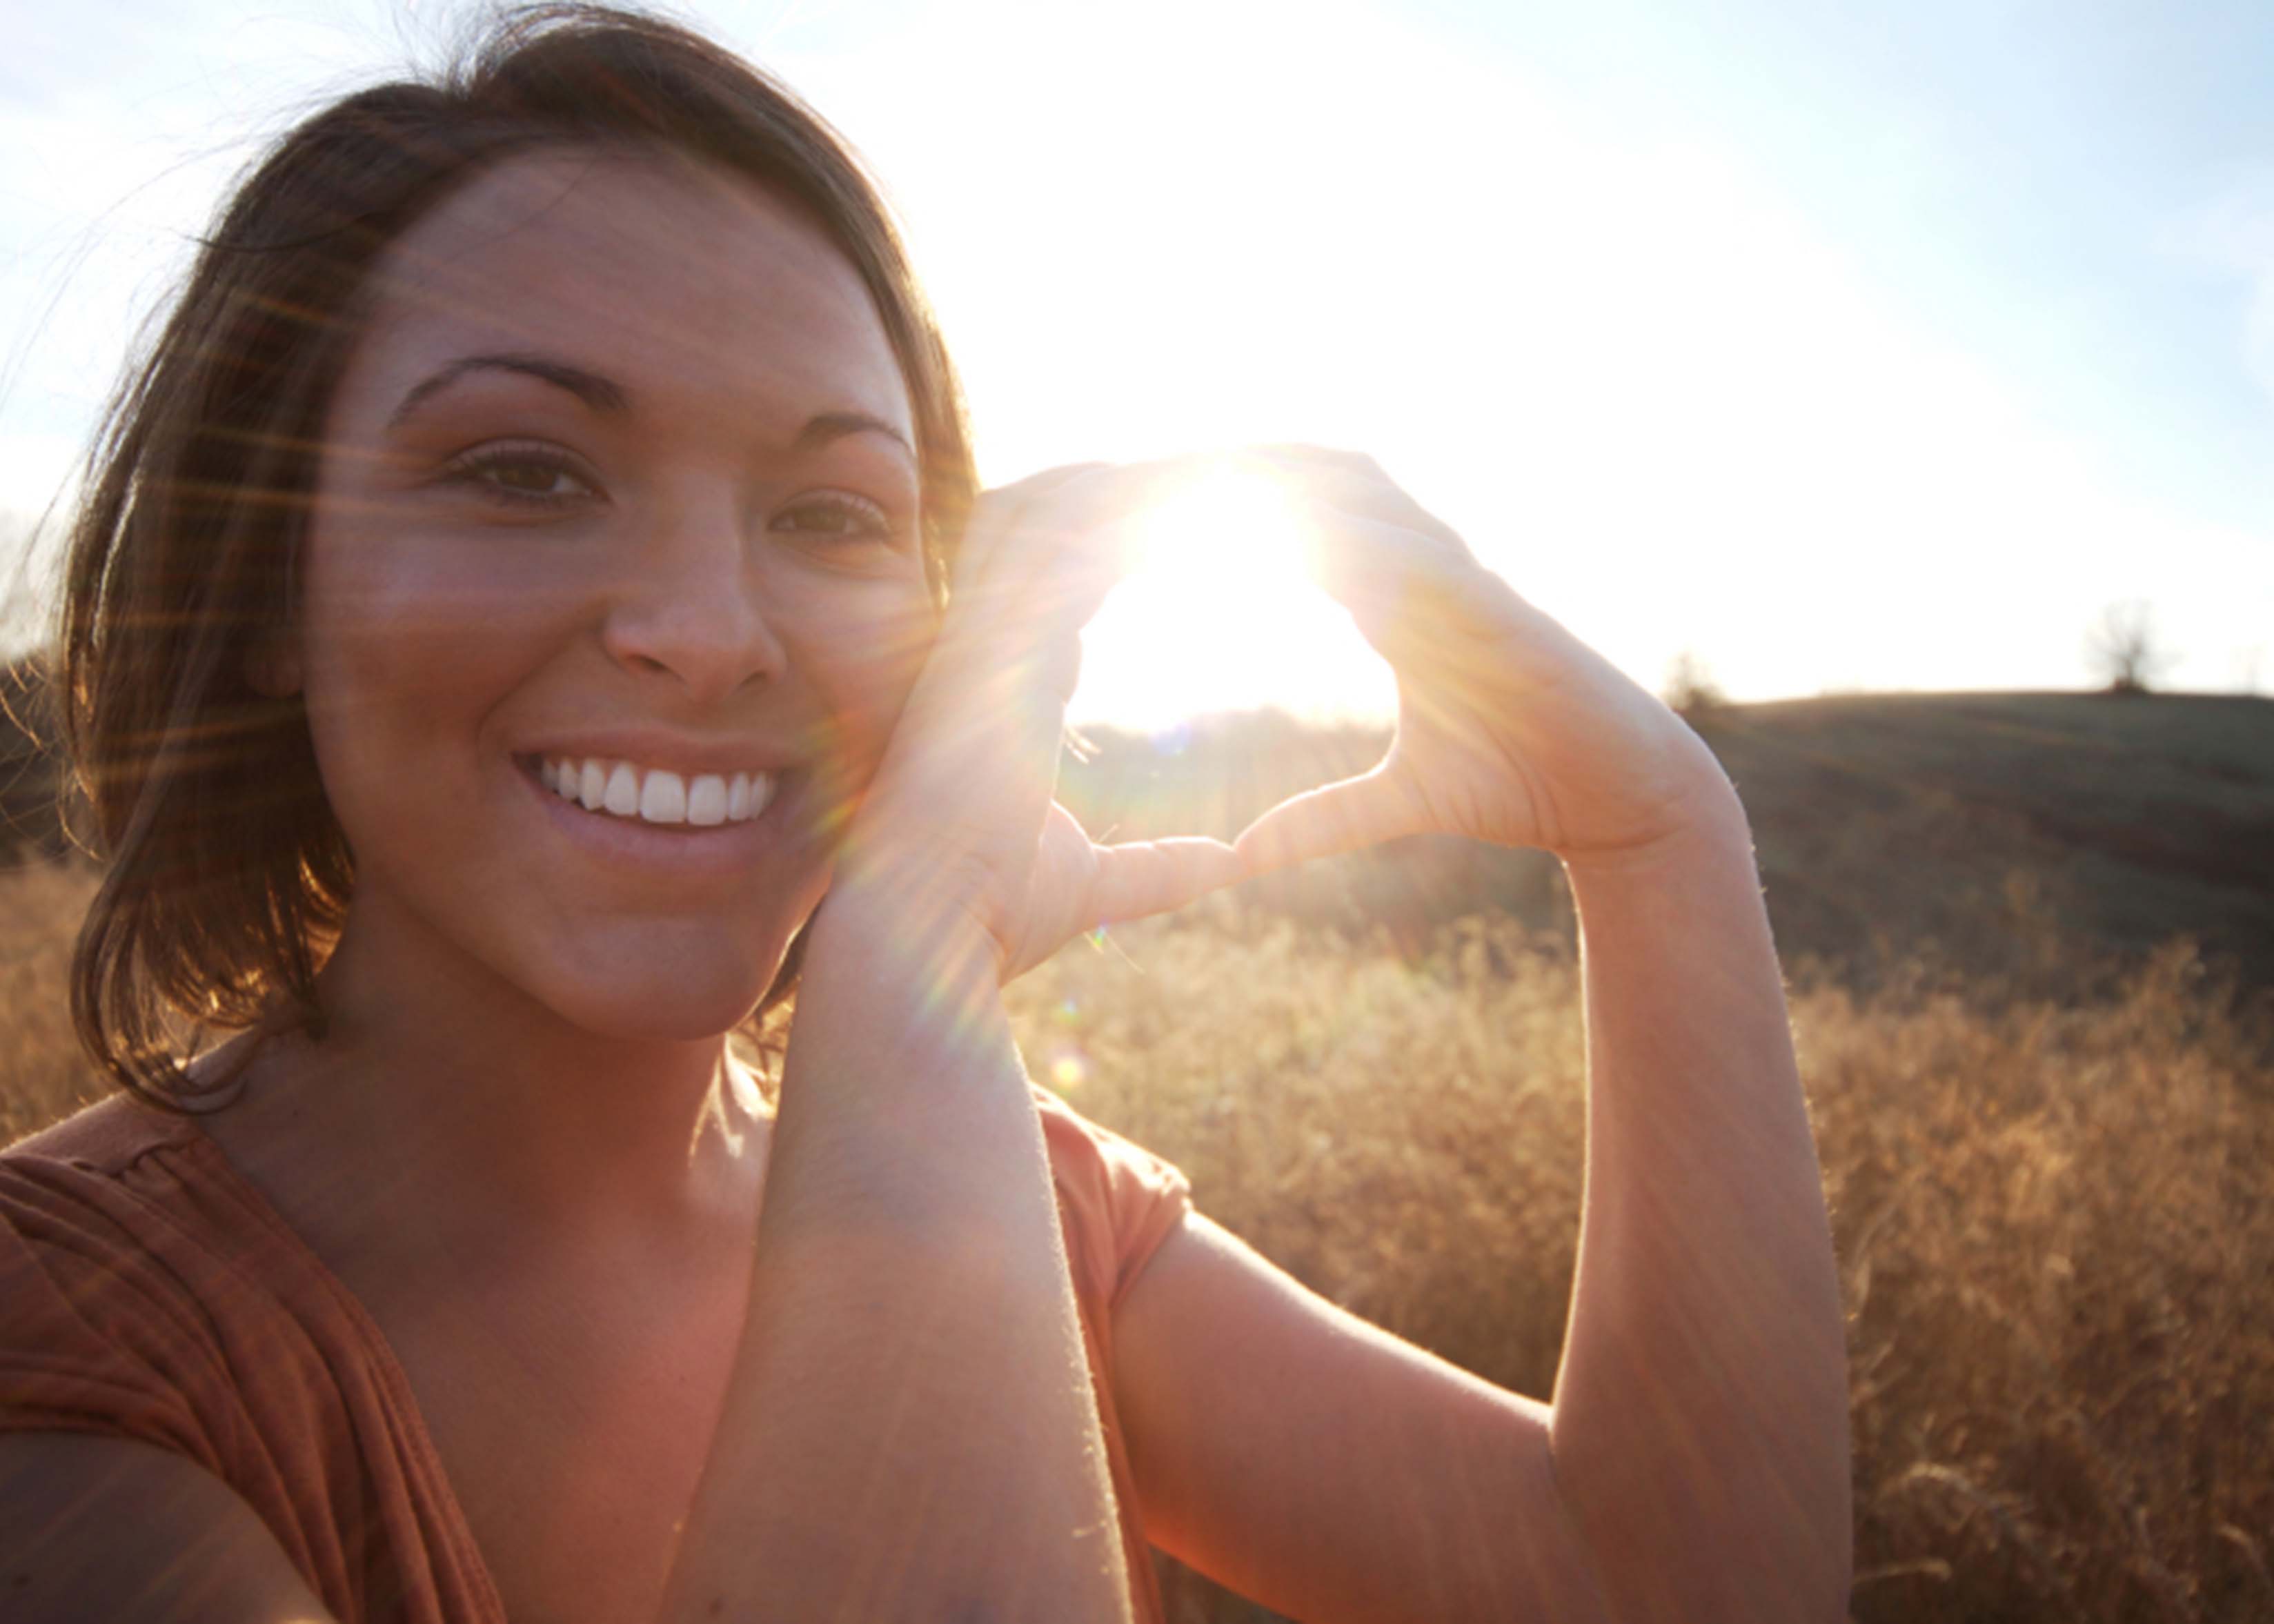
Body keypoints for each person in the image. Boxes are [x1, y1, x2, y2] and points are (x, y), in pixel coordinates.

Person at [0, 6, 1852, 1621]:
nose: (711, 635)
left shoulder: (1031, 1207)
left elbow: (1662, 1585)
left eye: (831, 515)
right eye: (522, 470)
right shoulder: (70, 1347)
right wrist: (909, 959)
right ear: (259, 596)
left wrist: (1657, 825)